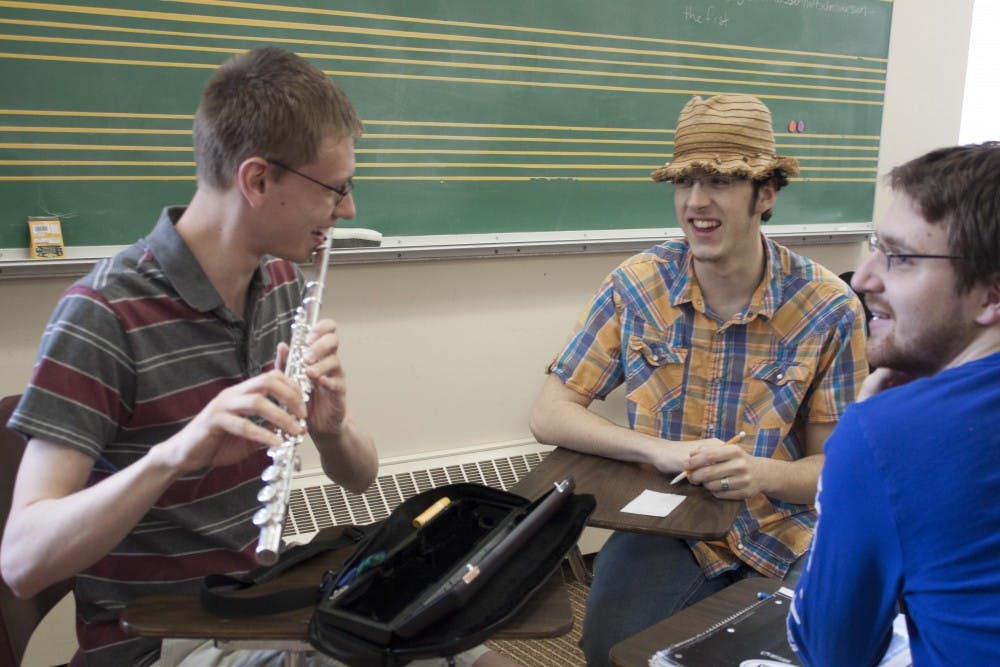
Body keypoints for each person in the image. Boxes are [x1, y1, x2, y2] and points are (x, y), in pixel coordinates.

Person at [0, 48, 516, 667]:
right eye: (335, 188)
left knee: (464, 643)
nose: (348, 209)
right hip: (157, 639)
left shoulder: (280, 281)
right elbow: (23, 562)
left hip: (254, 604)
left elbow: (359, 477)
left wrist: (334, 427)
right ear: (257, 180)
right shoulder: (102, 315)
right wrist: (174, 454)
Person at [529, 93, 869, 666]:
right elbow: (549, 414)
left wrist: (756, 472)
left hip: (783, 527)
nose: (696, 203)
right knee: (613, 648)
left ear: (767, 193)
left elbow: (832, 475)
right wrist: (659, 451)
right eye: (684, 182)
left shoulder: (828, 307)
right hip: (671, 525)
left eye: (719, 182)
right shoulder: (638, 285)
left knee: (797, 652)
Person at [788, 143, 1000, 665]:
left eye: (900, 258)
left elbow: (829, 651)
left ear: (991, 296)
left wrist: (846, 458)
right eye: (874, 246)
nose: (862, 279)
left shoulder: (889, 432)